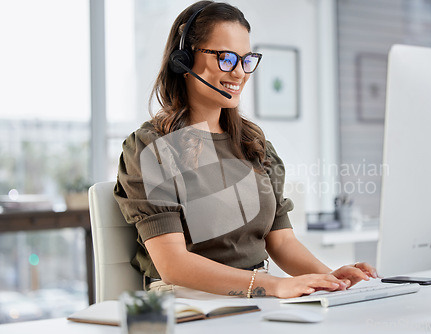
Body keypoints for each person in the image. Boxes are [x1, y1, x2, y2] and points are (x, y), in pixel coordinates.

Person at [114, 0, 377, 299]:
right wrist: (273, 286)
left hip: (256, 296)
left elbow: (282, 243)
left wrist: (328, 277)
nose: (239, 73)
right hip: (187, 300)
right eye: (226, 58)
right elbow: (173, 264)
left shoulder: (254, 145)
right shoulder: (151, 148)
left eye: (246, 59)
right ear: (184, 61)